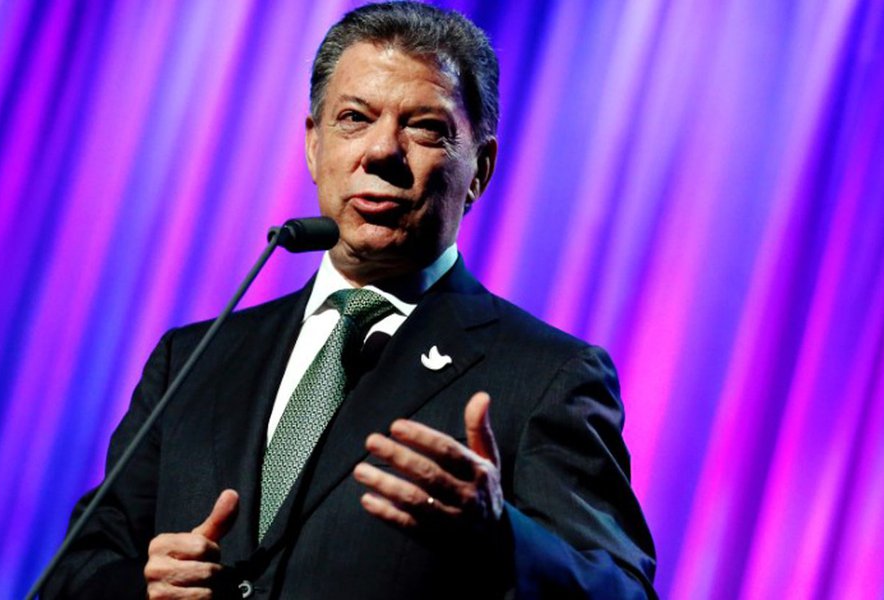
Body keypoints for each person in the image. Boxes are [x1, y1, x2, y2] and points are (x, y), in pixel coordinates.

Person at [42, 3, 656, 598]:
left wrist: (503, 541)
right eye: (354, 118)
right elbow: (77, 570)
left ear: (479, 170)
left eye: (425, 127)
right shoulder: (196, 356)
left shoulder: (547, 376)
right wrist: (144, 588)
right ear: (314, 146)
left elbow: (621, 590)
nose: (382, 153)